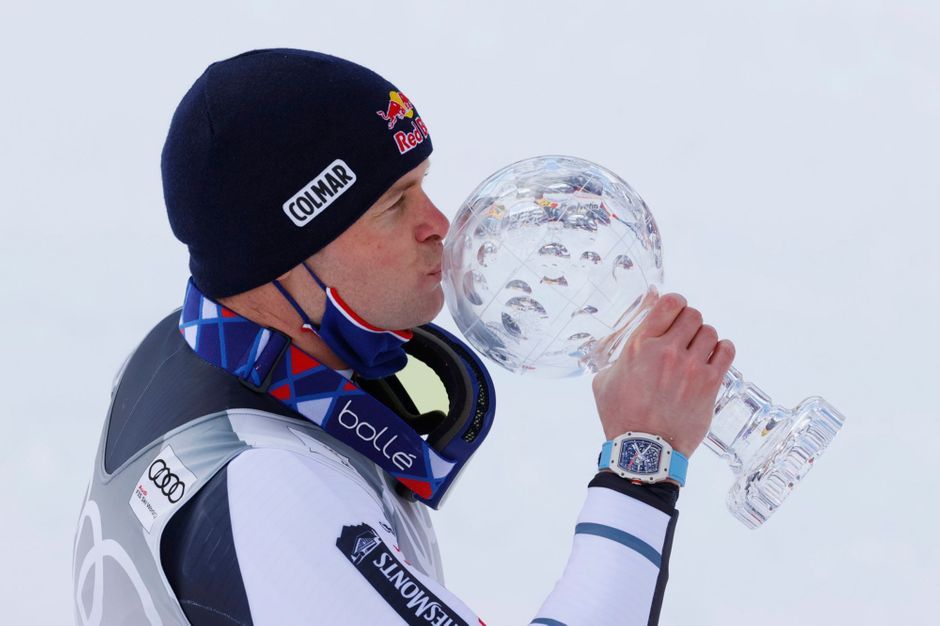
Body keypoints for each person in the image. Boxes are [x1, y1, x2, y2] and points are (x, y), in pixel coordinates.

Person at [72, 48, 735, 626]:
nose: (440, 225)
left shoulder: (183, 348)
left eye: (423, 187)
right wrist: (642, 459)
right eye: (395, 205)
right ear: (289, 251)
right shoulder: (269, 488)